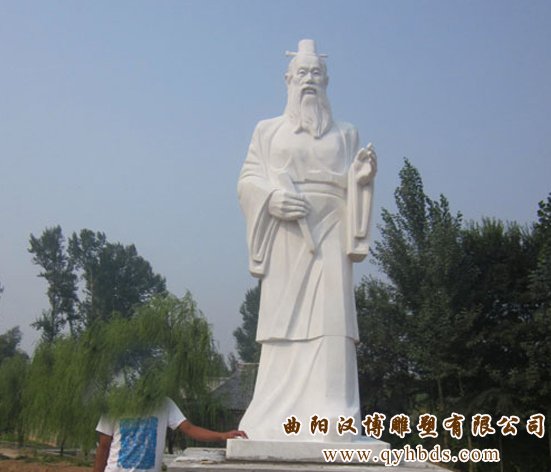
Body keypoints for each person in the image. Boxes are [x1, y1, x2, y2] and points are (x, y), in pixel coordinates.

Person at [237, 39, 377, 442]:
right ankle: (273, 415)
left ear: (326, 80)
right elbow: (248, 180)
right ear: (288, 79)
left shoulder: (346, 134)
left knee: (333, 320)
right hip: (286, 236)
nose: (309, 80)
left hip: (331, 233)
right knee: (285, 325)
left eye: (316, 73)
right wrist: (271, 199)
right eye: (302, 73)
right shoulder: (267, 131)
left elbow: (354, 183)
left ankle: (335, 414)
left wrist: (362, 179)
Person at [93, 397, 247, 472]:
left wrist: (222, 436)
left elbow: (189, 429)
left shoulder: (164, 403)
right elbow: (104, 447)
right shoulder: (114, 405)